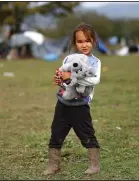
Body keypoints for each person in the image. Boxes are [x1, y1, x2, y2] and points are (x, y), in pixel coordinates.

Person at [44, 23, 101, 175]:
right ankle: (53, 165)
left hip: (80, 105)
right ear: (75, 43)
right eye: (80, 41)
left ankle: (94, 165)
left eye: (87, 41)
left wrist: (73, 79)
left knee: (87, 134)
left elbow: (95, 81)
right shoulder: (69, 58)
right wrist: (60, 79)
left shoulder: (95, 62)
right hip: (62, 103)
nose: (84, 45)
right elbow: (63, 76)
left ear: (94, 41)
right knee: (56, 133)